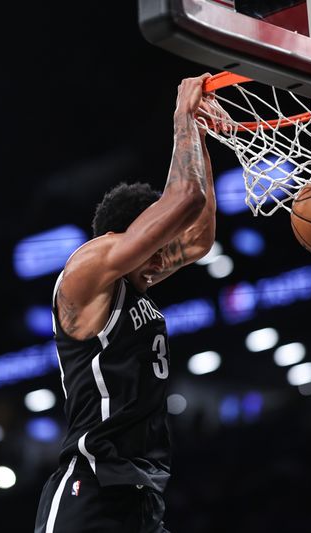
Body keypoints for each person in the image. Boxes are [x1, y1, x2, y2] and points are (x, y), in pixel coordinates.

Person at [33, 73, 224, 533]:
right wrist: (184, 116)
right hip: (90, 487)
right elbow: (185, 198)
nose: (163, 259)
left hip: (141, 492)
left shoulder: (138, 279)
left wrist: (201, 135)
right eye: (155, 243)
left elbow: (199, 237)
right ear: (126, 236)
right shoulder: (87, 269)